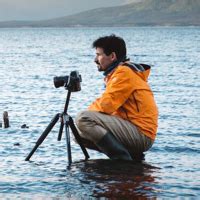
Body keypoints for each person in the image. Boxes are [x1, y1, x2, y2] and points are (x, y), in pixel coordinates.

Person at [75, 34, 158, 161]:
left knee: (83, 119)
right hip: (134, 129)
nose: (95, 59)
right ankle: (134, 157)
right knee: (80, 135)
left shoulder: (124, 73)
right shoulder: (119, 73)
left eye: (99, 55)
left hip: (141, 134)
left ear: (112, 56)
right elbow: (109, 105)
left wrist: (88, 113)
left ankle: (121, 159)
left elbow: (106, 105)